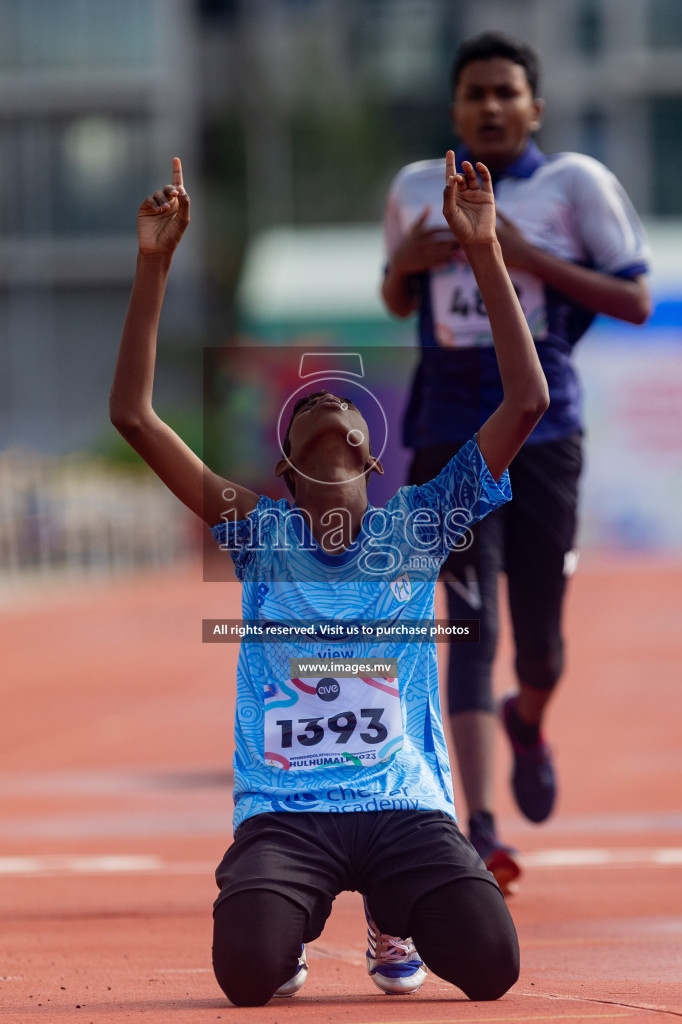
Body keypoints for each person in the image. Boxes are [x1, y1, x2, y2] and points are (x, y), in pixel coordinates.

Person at [110, 152, 548, 1006]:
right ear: (282, 466)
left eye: (336, 401)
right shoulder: (256, 533)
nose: (321, 400)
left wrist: (484, 249)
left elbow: (524, 401)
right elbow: (133, 416)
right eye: (303, 405)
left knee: (492, 968)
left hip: (402, 808)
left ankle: (396, 916)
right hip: (286, 813)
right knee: (246, 976)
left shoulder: (419, 524)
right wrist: (153, 264)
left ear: (367, 450)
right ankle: (289, 925)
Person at [382, 31, 651, 894]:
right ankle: (482, 828)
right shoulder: (416, 187)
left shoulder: (575, 185)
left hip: (544, 429)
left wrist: (516, 251)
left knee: (536, 645)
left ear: (534, 106)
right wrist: (408, 264)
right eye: (474, 94)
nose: (490, 107)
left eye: (506, 92)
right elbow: (395, 296)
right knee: (467, 625)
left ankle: (527, 720)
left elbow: (636, 297)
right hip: (449, 431)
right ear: (454, 109)